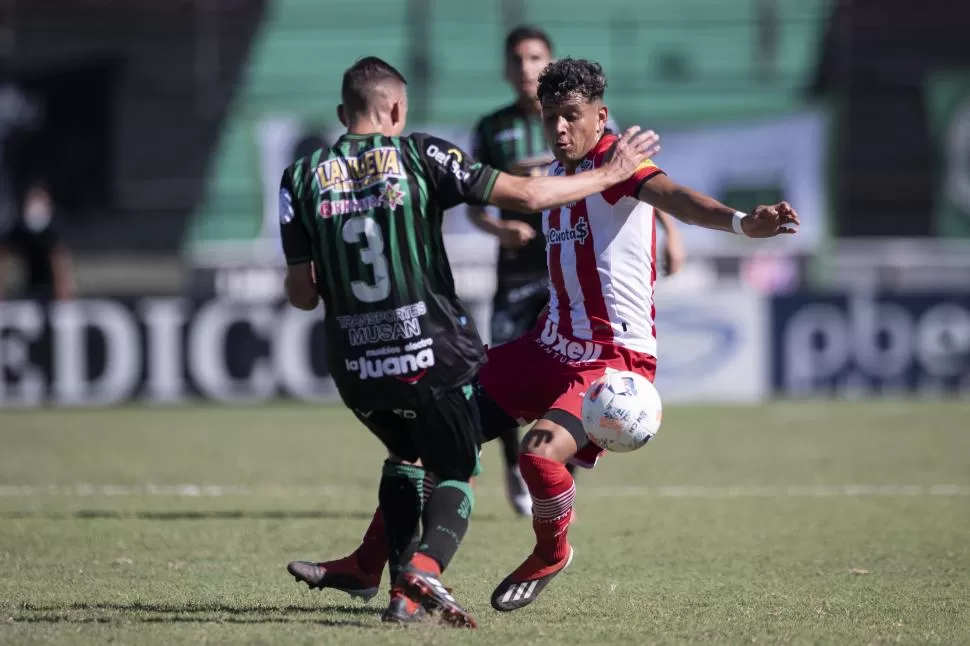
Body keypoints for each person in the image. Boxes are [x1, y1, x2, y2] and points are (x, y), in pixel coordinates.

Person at [289, 57, 797, 615]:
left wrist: (744, 223)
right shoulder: (555, 181)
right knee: (429, 438)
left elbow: (677, 198)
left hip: (612, 360)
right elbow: (509, 199)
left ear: (600, 117)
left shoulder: (619, 166)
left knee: (537, 455)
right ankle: (374, 567)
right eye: (550, 117)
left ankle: (551, 552)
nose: (558, 129)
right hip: (545, 346)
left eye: (570, 116)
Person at [468, 27, 686, 516]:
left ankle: (545, 469)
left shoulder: (604, 143)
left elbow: (650, 187)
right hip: (519, 271)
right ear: (507, 70)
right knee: (485, 389)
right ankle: (510, 460)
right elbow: (479, 201)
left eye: (535, 57)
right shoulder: (493, 128)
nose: (526, 67)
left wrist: (675, 232)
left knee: (548, 414)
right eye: (519, 60)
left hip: (576, 295)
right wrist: (495, 228)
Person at [0, 183, 75, 302]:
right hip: (28, 289)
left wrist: (64, 293)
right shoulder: (19, 229)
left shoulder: (53, 230)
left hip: (51, 293)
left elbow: (60, 261)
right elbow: (3, 255)